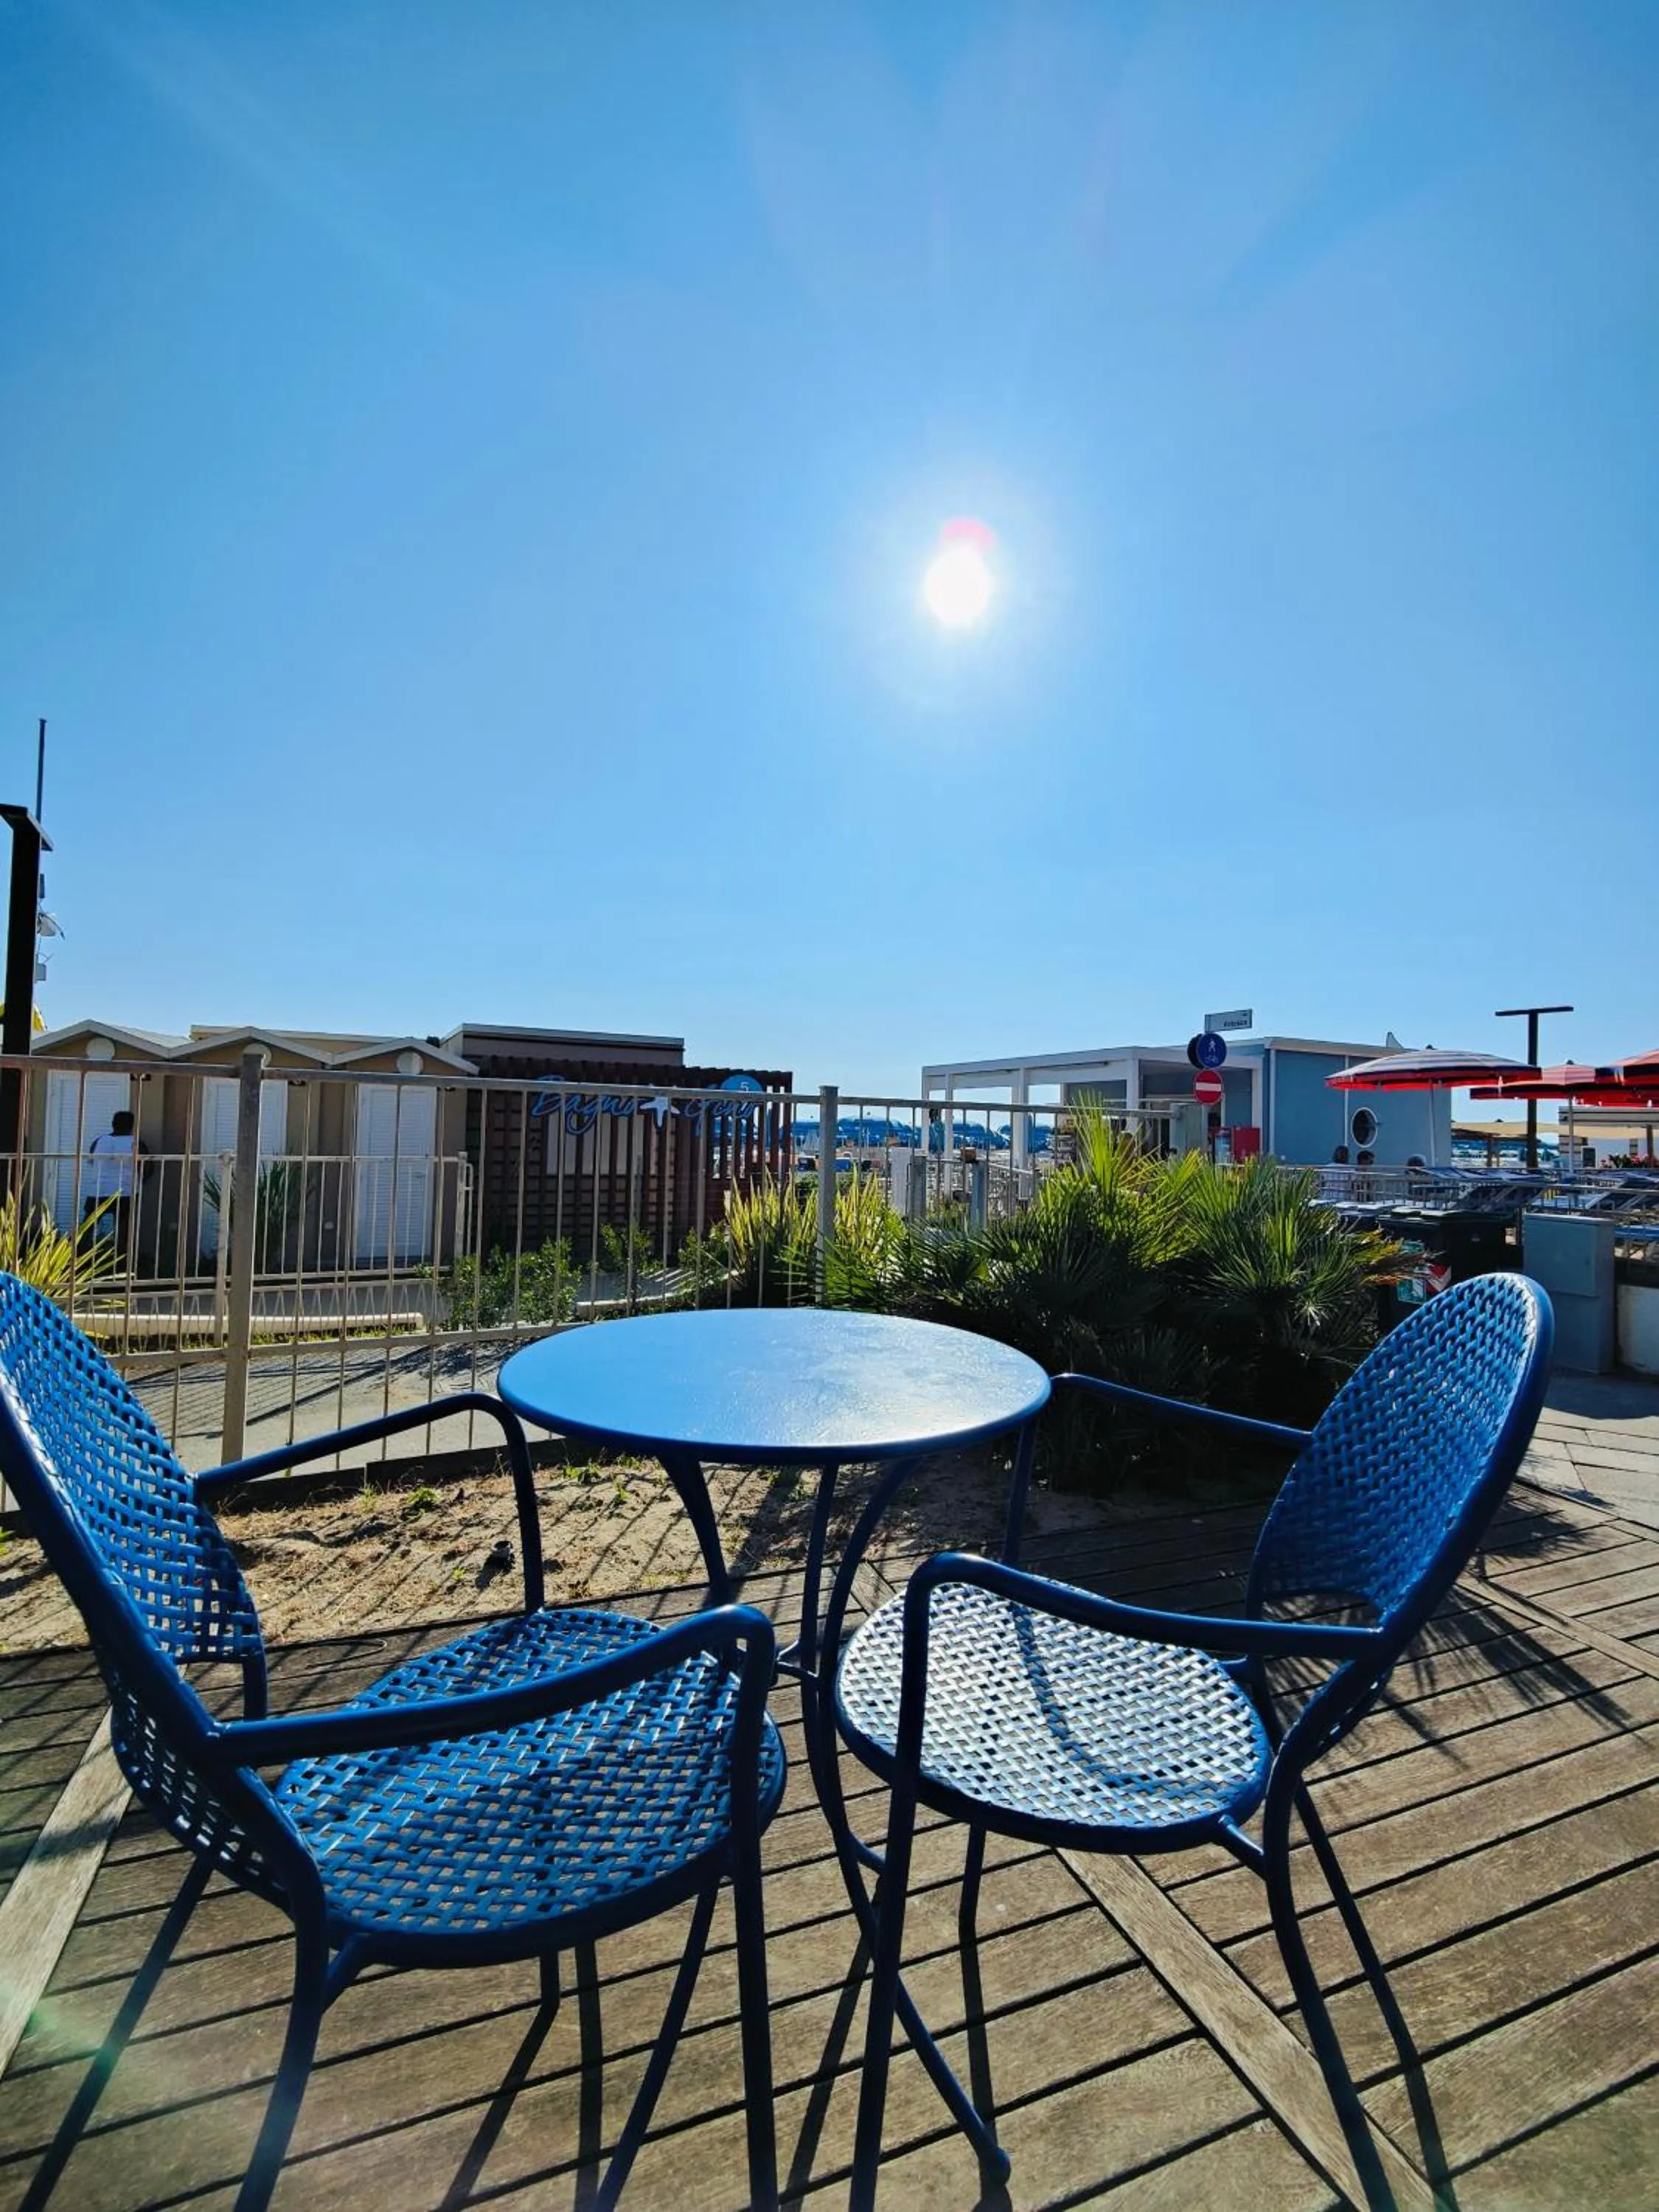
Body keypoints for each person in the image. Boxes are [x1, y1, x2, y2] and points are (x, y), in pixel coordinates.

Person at [84, 1109, 149, 1268]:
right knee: (124, 1230)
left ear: (113, 1124)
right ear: (132, 1126)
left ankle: (81, 1260)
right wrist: (141, 1181)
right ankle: (121, 1265)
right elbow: (146, 1168)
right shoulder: (136, 1143)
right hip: (125, 1192)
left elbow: (92, 1162)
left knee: (87, 1228)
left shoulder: (98, 1141)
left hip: (98, 1191)